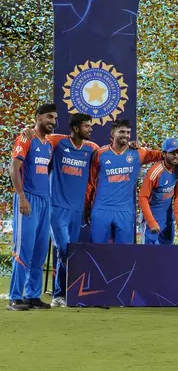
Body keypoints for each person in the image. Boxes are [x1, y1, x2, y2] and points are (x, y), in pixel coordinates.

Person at [8, 103, 57, 311]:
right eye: (48, 117)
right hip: (27, 199)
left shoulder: (49, 144)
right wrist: (21, 196)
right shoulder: (25, 138)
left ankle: (32, 295)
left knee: (39, 252)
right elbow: (14, 168)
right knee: (23, 249)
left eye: (54, 118)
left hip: (45, 201)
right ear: (37, 117)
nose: (52, 121)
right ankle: (15, 297)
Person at [47, 114, 98, 307]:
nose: (90, 129)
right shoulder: (58, 142)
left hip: (77, 210)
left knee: (71, 251)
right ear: (76, 128)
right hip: (57, 207)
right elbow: (38, 137)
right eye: (87, 126)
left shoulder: (91, 149)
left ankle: (65, 294)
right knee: (63, 249)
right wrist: (28, 133)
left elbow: (109, 153)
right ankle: (62, 293)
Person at [85, 119, 163, 244]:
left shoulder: (138, 153)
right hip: (101, 209)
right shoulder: (100, 154)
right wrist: (87, 207)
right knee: (98, 251)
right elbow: (91, 183)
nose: (126, 135)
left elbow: (164, 155)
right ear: (112, 133)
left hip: (125, 211)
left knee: (124, 253)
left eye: (128, 132)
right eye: (122, 132)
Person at [138, 138, 178, 245]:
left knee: (167, 252)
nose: (176, 155)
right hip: (153, 217)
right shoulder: (155, 172)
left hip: (167, 217)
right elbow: (142, 197)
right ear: (163, 154)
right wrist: (151, 221)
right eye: (172, 152)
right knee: (148, 254)